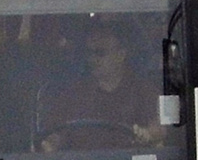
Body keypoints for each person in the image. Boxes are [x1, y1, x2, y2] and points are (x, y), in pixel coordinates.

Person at [37, 20, 164, 152]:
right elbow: (57, 133)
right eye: (89, 53)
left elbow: (160, 127)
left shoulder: (143, 90)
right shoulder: (73, 94)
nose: (92, 59)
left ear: (121, 55)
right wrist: (49, 145)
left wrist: (147, 134)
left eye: (100, 53)